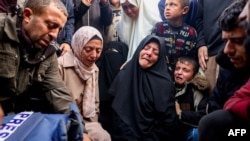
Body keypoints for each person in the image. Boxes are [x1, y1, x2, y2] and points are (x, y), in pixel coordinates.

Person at [0, 0, 75, 124]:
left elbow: (58, 92)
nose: (55, 35)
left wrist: (80, 130)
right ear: (28, 15)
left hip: (10, 118)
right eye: (51, 25)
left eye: (59, 30)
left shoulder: (48, 53)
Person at [108, 35, 177, 140]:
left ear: (160, 58)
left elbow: (167, 121)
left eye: (155, 52)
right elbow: (115, 111)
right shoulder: (124, 75)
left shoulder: (165, 83)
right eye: (146, 48)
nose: (149, 53)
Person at [198, 0, 250, 140]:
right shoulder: (226, 64)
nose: (227, 50)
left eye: (238, 41)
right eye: (225, 41)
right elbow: (215, 104)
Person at [58, 26, 111, 141]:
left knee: (103, 136)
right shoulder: (60, 65)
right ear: (78, 45)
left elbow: (95, 104)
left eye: (98, 50)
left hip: (85, 121)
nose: (94, 55)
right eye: (88, 49)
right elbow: (56, 104)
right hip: (62, 119)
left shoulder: (94, 69)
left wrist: (93, 127)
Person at [196, 0, 236, 93]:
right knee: (207, 98)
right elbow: (199, 19)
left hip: (236, 51)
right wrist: (201, 43)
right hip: (209, 54)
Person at [152, 0, 197, 75]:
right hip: (158, 72)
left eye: (172, 5)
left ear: (185, 10)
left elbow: (190, 59)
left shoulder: (191, 32)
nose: (167, 8)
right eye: (166, 5)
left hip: (179, 74)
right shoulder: (159, 27)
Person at [97, 41, 128, 136]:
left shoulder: (128, 82)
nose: (110, 54)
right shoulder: (95, 77)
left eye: (114, 52)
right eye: (108, 51)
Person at [174, 56, 209, 141]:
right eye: (177, 68)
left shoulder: (196, 91)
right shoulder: (167, 86)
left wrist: (180, 113)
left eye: (185, 70)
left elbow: (203, 116)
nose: (179, 72)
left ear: (194, 75)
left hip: (187, 130)